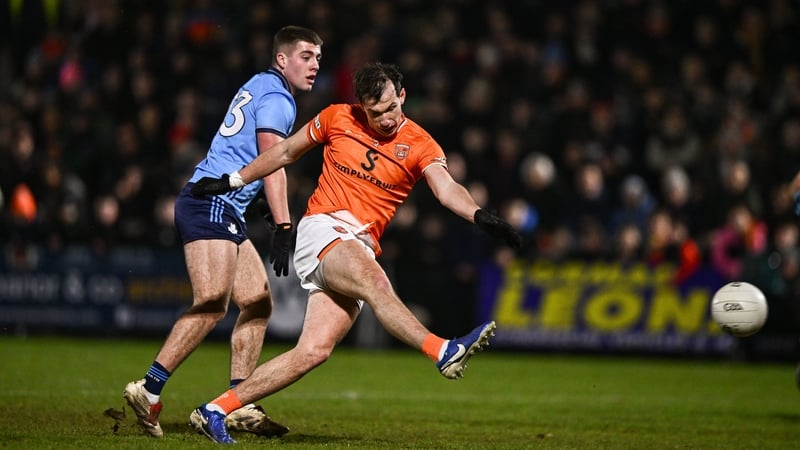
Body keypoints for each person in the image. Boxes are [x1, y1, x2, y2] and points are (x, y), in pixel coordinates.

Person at [187, 62, 521, 443]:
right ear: (361, 106)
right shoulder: (337, 118)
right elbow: (284, 151)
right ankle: (442, 350)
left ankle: (214, 409)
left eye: (392, 108)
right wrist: (234, 179)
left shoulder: (420, 142)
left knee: (312, 352)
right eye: (376, 112)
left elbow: (446, 189)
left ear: (403, 96)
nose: (386, 119)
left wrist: (479, 216)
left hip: (358, 244)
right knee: (376, 281)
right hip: (323, 229)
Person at [122, 25, 323, 438]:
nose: (315, 64)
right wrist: (285, 223)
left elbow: (246, 153)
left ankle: (238, 404)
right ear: (282, 59)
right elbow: (274, 157)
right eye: (306, 55)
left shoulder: (260, 85)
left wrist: (263, 203)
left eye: (319, 56)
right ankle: (149, 388)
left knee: (257, 302)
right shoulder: (278, 97)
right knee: (212, 301)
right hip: (209, 202)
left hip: (221, 204)